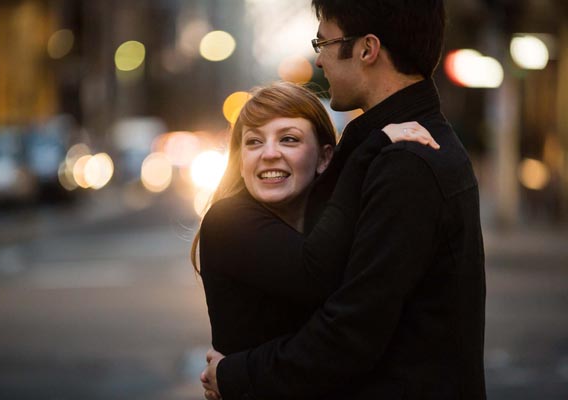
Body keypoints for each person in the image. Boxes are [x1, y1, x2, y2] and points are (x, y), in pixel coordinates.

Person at [201, 1, 486, 399]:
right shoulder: (386, 146)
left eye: (325, 42)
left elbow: (349, 334)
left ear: (367, 49)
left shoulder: (406, 161)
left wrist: (234, 375)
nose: (319, 61)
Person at [193, 82, 438, 357]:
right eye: (254, 141)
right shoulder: (227, 220)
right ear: (240, 161)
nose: (269, 153)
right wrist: (367, 150)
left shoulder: (335, 219)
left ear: (324, 158)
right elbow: (316, 274)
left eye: (288, 139)